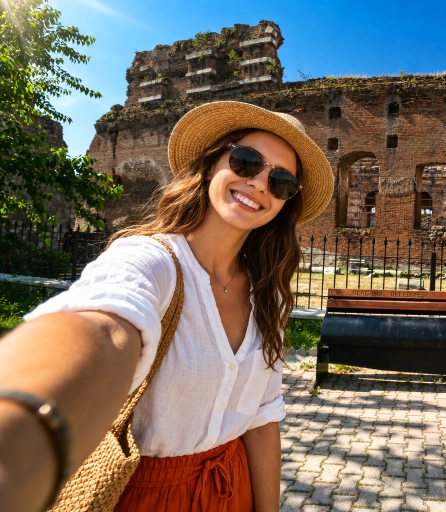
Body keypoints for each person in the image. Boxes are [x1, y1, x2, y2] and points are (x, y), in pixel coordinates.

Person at [0, 101, 333, 512]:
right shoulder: (150, 260)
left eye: (282, 181)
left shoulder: (266, 294)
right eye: (246, 161)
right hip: (144, 495)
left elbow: (262, 421)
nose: (261, 184)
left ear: (285, 202)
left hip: (236, 488)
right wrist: (19, 423)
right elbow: (106, 326)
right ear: (213, 163)